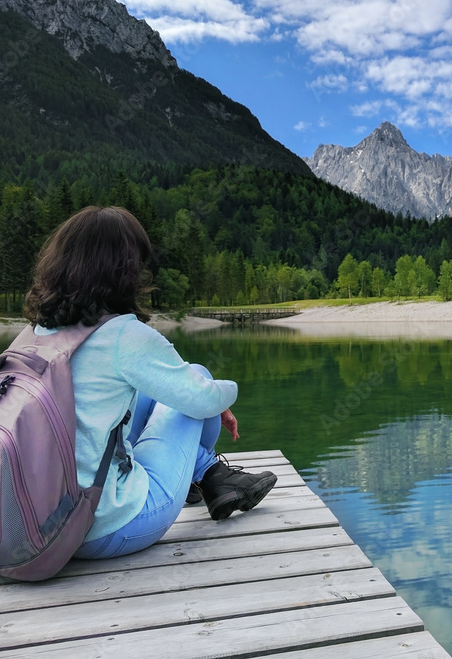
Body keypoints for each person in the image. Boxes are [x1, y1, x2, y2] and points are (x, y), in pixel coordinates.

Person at [23, 205, 276, 560]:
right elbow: (202, 399)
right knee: (200, 377)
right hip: (106, 529)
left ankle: (209, 474)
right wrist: (225, 394)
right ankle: (209, 475)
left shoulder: (35, 333)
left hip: (38, 524)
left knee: (155, 392)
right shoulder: (122, 334)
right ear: (123, 270)